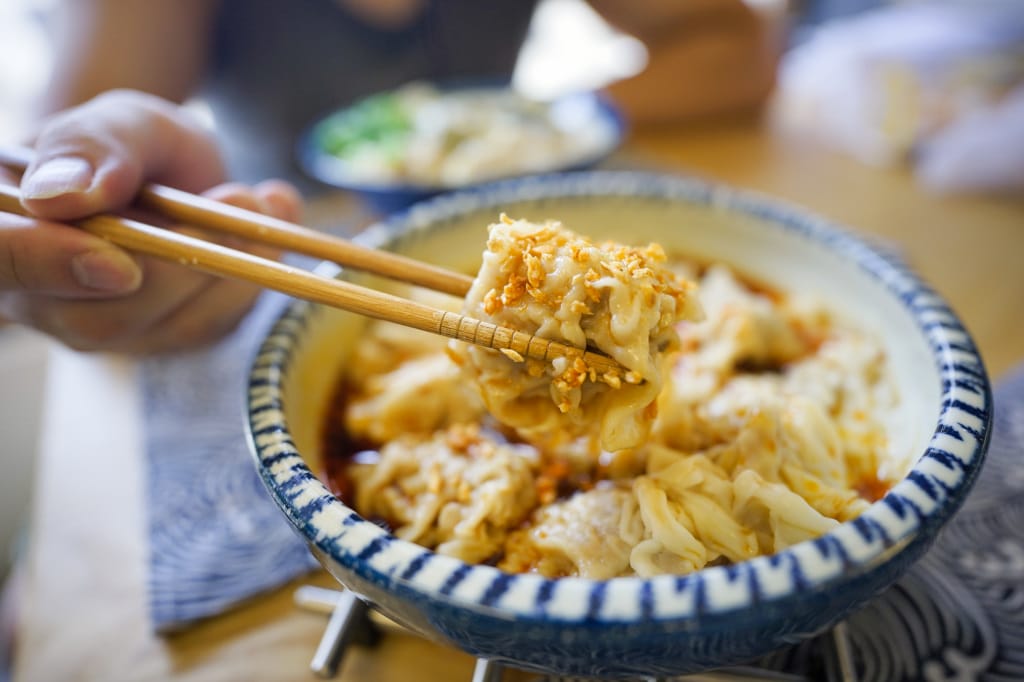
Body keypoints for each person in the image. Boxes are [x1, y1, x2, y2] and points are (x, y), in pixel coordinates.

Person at [1, 0, 778, 354]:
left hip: (491, 247)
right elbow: (59, 163)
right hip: (265, 261)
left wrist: (543, 120)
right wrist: (53, 258)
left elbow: (738, 48)